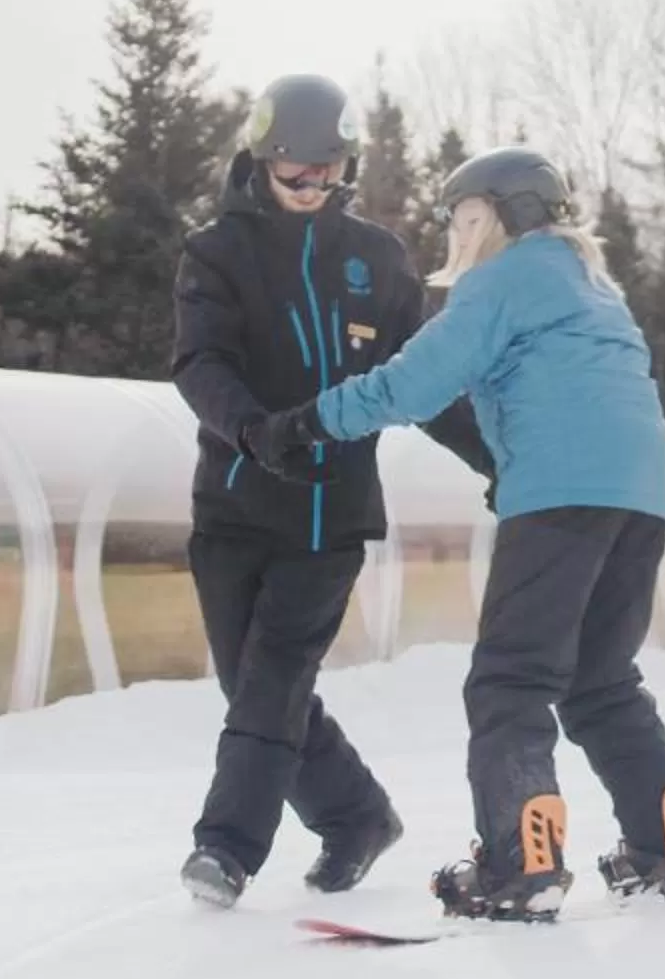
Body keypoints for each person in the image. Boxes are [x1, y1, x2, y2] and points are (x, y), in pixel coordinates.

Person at [249, 147, 665, 922]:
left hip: (561, 494)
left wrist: (307, 424)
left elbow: (413, 383)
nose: (455, 235)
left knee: (511, 681)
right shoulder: (595, 290)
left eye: (463, 217)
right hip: (641, 496)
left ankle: (519, 861)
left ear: (501, 214)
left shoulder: (505, 279)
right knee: (600, 678)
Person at [168, 74, 496, 908]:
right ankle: (357, 816)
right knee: (253, 687)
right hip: (236, 504)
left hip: (329, 515)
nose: (315, 186)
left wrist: (501, 461)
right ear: (261, 159)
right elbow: (201, 365)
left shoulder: (376, 260)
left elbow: (422, 383)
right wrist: (255, 433)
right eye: (297, 172)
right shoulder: (216, 254)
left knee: (275, 673)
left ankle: (226, 849)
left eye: (330, 170)